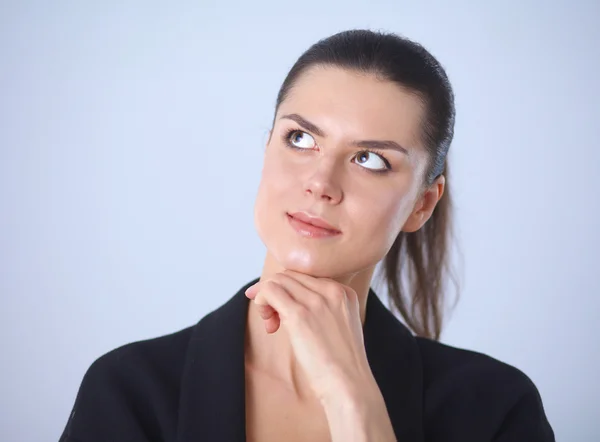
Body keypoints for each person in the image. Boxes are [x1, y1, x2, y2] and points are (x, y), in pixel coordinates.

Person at [59, 29, 555, 441]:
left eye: (370, 159)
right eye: (300, 138)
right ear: (267, 146)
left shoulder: (495, 409)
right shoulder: (129, 390)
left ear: (422, 204)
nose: (320, 183)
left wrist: (353, 399)